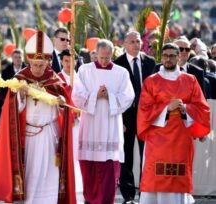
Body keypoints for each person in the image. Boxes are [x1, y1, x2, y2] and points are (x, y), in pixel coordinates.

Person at [0, 30, 76, 204]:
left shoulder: (54, 80)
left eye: (41, 65)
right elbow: (11, 109)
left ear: (48, 63)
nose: (38, 69)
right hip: (28, 136)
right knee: (31, 172)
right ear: (29, 61)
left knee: (49, 171)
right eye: (35, 65)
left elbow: (65, 107)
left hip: (49, 134)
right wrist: (20, 95)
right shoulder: (20, 79)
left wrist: (62, 102)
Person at [137, 43, 210, 204]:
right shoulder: (151, 81)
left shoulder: (190, 80)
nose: (168, 59)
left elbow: (202, 107)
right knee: (155, 180)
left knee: (177, 183)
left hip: (181, 138)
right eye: (165, 56)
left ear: (179, 57)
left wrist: (185, 108)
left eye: (171, 56)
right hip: (157, 139)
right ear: (161, 57)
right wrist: (166, 109)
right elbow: (144, 109)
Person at [72, 39, 135, 204]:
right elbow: (76, 95)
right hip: (90, 123)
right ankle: (90, 198)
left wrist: (110, 97)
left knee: (108, 166)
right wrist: (95, 96)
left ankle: (106, 200)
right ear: (95, 54)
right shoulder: (85, 70)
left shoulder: (121, 73)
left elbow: (129, 96)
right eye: (101, 57)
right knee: (89, 165)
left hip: (110, 124)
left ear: (112, 54)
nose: (104, 61)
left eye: (107, 57)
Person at [113, 31, 156, 204]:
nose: (136, 44)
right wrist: (120, 120)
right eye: (132, 41)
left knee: (147, 156)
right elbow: (115, 93)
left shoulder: (151, 62)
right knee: (127, 157)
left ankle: (145, 193)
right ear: (124, 44)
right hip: (126, 118)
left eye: (138, 41)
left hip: (147, 118)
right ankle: (128, 195)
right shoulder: (118, 64)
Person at [57, 49, 83, 197]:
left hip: (81, 123)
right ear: (61, 61)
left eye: (72, 61)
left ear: (77, 61)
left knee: (80, 154)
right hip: (64, 124)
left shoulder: (82, 78)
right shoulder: (56, 79)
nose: (68, 64)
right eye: (66, 61)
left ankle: (79, 183)